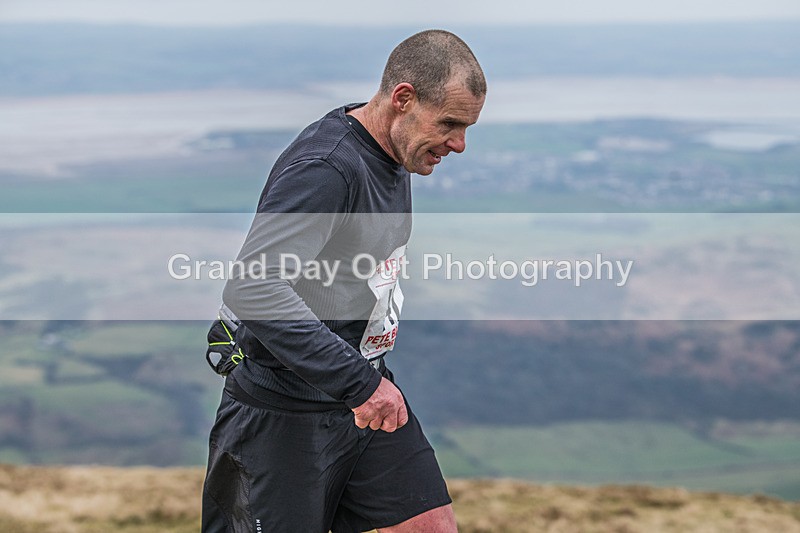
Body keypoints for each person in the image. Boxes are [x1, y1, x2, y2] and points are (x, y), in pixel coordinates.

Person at [202, 29, 486, 533]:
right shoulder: (328, 168)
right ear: (403, 99)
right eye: (449, 124)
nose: (459, 144)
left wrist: (363, 384)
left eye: (466, 128)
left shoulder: (393, 151)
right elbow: (253, 287)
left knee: (431, 528)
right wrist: (360, 385)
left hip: (361, 403)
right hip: (282, 416)